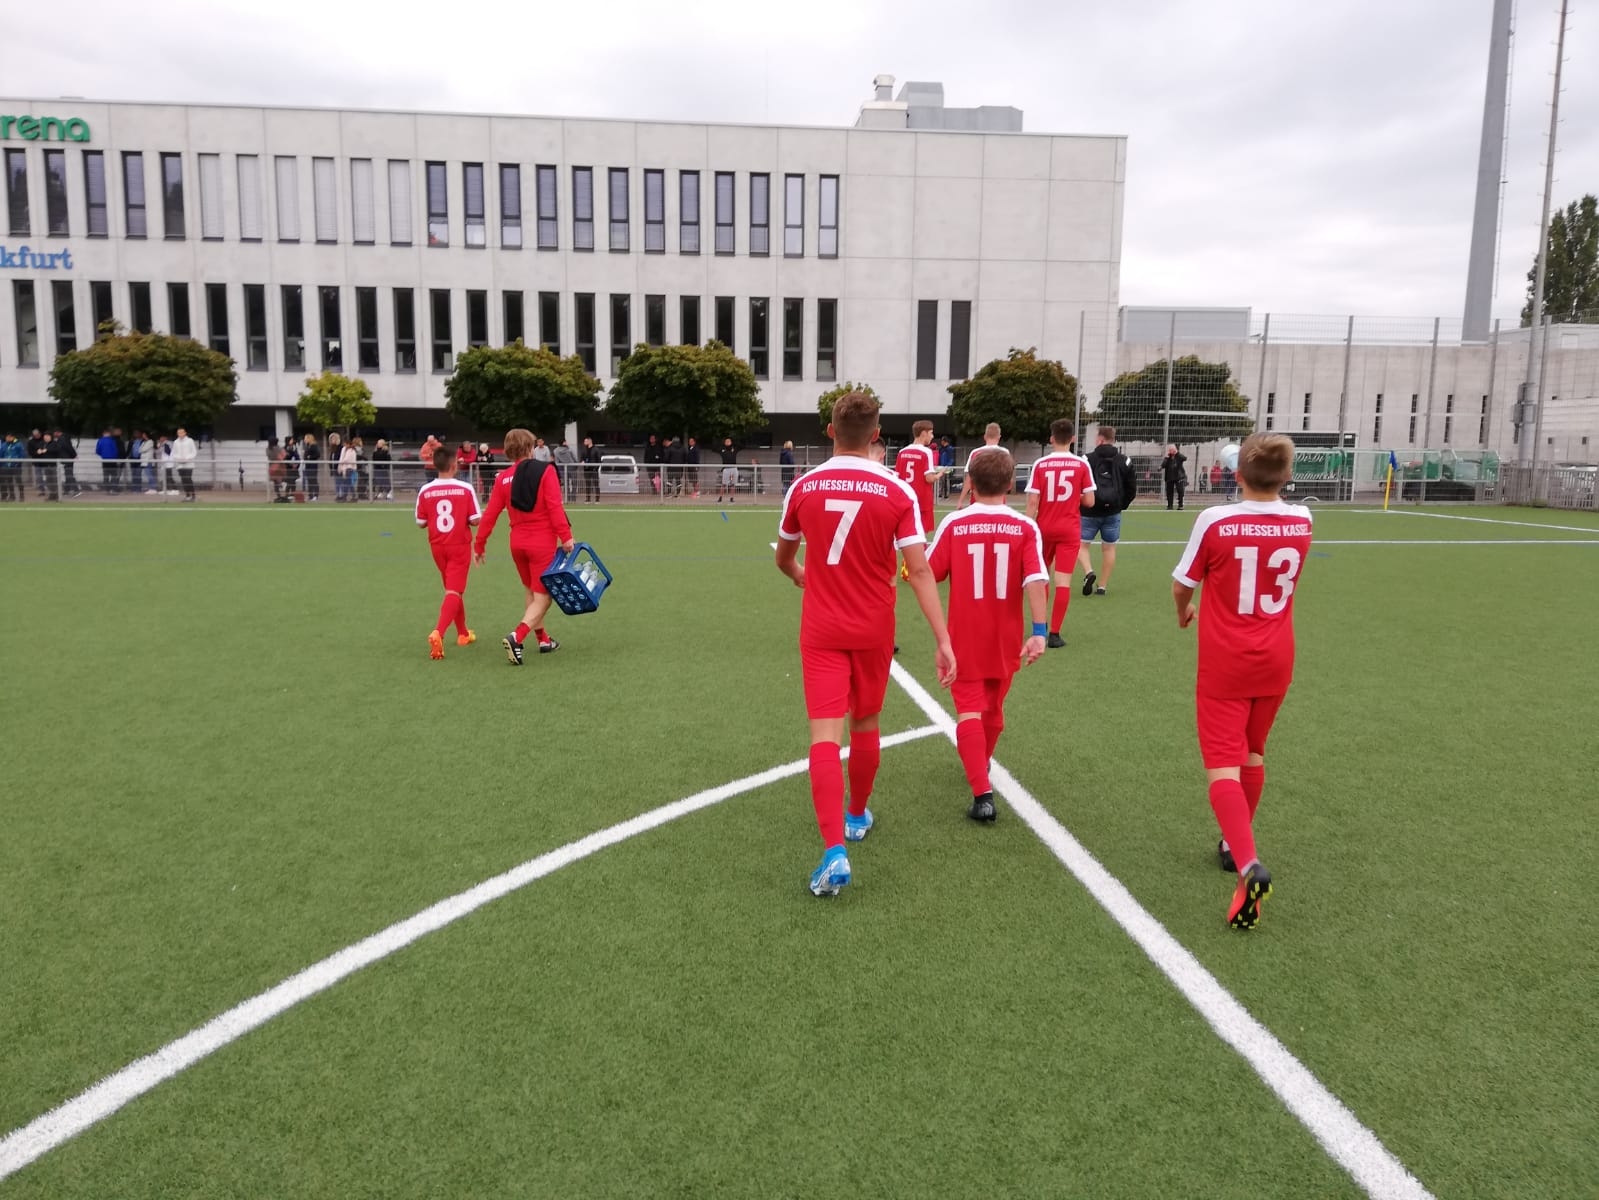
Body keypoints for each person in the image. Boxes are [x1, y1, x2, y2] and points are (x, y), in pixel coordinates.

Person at [775, 390, 956, 898]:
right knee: (867, 722)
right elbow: (920, 570)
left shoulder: (804, 486)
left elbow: (784, 558)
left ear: (830, 431)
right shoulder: (897, 490)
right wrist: (943, 639)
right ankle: (856, 815)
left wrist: (800, 575)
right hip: (874, 629)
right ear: (877, 435)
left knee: (824, 736)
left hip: (822, 629)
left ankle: (834, 850)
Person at [1171, 433, 1313, 930]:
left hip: (1226, 659)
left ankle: (1248, 863)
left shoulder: (1215, 520)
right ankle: (1232, 845)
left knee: (1221, 764)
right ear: (1287, 476)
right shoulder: (1303, 519)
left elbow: (1183, 583)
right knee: (1252, 752)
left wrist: (1184, 611)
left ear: (1236, 474)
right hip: (1277, 657)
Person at [929, 448, 1048, 823]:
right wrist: (1039, 631)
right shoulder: (1025, 527)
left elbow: (929, 572)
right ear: (1011, 484)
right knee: (993, 709)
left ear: (971, 483)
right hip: (1005, 638)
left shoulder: (954, 523)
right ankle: (981, 764)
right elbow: (1036, 580)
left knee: (969, 711)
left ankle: (982, 795)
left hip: (963, 637)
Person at [474, 427, 575, 664]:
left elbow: (490, 515)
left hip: (517, 543)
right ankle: (517, 637)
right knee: (545, 597)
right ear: (530, 448)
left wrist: (479, 545)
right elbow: (554, 506)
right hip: (541, 542)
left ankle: (543, 640)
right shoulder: (546, 471)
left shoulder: (502, 478)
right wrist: (566, 536)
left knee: (531, 590)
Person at [1024, 419, 1097, 648]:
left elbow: (1033, 501)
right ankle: (1055, 634)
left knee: (1041, 576)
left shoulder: (1041, 464)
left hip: (1044, 528)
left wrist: (1028, 526)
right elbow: (1090, 501)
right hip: (1069, 529)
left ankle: (1041, 626)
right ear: (1073, 439)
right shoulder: (1081, 464)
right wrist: (1075, 496)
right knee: (1063, 582)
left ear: (1051, 438)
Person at [416, 446, 482, 659]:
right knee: (454, 591)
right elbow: (475, 520)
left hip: (437, 546)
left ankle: (463, 633)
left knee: (453, 589)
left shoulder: (425, 490)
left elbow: (420, 522)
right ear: (454, 465)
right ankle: (439, 632)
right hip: (458, 545)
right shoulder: (465, 488)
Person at [1077, 426, 1138, 597]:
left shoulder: (1086, 459)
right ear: (1113, 440)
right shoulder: (1125, 460)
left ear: (1100, 439)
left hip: (1089, 511)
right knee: (1109, 549)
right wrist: (1121, 505)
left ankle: (1089, 571)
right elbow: (1132, 488)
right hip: (1113, 512)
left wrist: (1081, 503)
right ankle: (1102, 586)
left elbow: (1078, 484)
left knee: (1081, 545)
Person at [893, 420, 941, 535]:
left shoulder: (902, 452)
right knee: (921, 534)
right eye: (931, 433)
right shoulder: (926, 452)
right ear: (924, 433)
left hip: (905, 498)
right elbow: (929, 478)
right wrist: (939, 475)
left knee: (906, 532)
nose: (932, 436)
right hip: (922, 500)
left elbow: (897, 477)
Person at [956, 422, 1004, 508]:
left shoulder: (975, 453)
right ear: (999, 437)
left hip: (977, 499)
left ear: (985, 437)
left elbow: (969, 478)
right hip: (998, 499)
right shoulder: (1004, 453)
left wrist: (961, 500)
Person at [171, 427, 198, 501]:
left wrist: (188, 458)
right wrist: (178, 458)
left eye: (181, 432)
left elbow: (194, 452)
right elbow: (174, 453)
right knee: (183, 480)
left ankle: (193, 495)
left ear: (185, 433)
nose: (180, 434)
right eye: (178, 433)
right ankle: (187, 495)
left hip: (189, 464)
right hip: (180, 464)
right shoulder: (176, 442)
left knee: (188, 478)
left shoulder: (190, 441)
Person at [53, 431, 81, 497]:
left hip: (67, 459)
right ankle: (67, 490)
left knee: (69, 474)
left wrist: (74, 455)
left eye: (54, 433)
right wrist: (74, 455)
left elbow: (69, 448)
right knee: (68, 474)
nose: (54, 434)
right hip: (67, 459)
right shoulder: (63, 438)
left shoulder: (62, 439)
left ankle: (76, 490)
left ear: (58, 432)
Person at [1162, 445, 1189, 511]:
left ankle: (1180, 505)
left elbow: (1184, 458)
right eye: (1170, 450)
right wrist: (1166, 457)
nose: (1171, 451)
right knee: (1169, 492)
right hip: (1169, 477)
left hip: (1178, 477)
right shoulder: (1168, 458)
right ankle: (1170, 506)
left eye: (1172, 449)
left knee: (1180, 491)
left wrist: (1177, 453)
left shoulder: (1179, 456)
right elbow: (1163, 465)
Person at [0, 432, 25, 501]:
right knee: (9, 481)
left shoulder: (18, 444)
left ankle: (21, 495)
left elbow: (22, 455)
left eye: (9, 437)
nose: (7, 438)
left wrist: (18, 463)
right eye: (7, 437)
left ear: (13, 437)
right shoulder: (4, 445)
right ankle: (12, 496)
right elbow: (1, 454)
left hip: (16, 466)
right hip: (6, 466)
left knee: (18, 480)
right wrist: (2, 464)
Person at [96, 429, 120, 493]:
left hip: (105, 460)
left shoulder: (100, 441)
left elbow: (97, 451)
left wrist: (103, 454)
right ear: (109, 434)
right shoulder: (112, 441)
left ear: (103, 434)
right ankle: (113, 489)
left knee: (106, 475)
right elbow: (115, 451)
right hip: (112, 460)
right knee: (114, 475)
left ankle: (107, 489)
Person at [717, 437, 739, 503]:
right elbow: (715, 448)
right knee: (723, 484)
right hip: (726, 469)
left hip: (734, 468)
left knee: (733, 484)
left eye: (729, 441)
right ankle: (720, 497)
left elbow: (742, 446)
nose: (727, 442)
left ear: (731, 442)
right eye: (726, 441)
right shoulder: (722, 450)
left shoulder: (734, 449)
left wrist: (734, 443)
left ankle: (732, 498)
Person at [580, 436, 601, 503]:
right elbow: (581, 458)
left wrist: (596, 468)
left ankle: (597, 499)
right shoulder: (584, 450)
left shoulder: (596, 449)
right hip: (586, 469)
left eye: (585, 441)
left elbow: (599, 460)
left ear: (590, 441)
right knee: (587, 484)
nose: (584, 442)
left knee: (596, 484)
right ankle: (588, 499)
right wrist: (582, 461)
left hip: (594, 469)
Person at [302, 434, 321, 501]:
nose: (304, 440)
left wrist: (310, 457)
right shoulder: (307, 446)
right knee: (309, 481)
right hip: (308, 465)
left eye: (305, 438)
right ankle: (310, 495)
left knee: (313, 480)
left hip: (313, 466)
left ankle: (315, 495)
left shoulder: (314, 446)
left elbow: (317, 454)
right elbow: (305, 455)